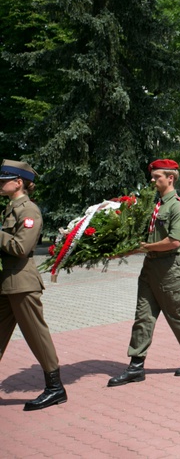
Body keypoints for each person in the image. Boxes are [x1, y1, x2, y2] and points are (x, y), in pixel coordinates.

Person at [108, 159, 180, 387]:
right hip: (150, 267)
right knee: (143, 317)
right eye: (152, 177)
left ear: (170, 178)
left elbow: (173, 241)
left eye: (157, 177)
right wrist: (120, 252)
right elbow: (144, 239)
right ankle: (136, 366)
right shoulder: (156, 206)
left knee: (177, 314)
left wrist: (144, 248)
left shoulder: (178, 207)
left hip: (168, 269)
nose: (152, 180)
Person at [0, 160, 68, 411]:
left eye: (3, 180)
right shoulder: (10, 209)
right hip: (6, 283)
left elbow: (21, 247)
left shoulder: (29, 211)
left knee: (36, 336)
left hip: (22, 284)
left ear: (18, 183)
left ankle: (55, 388)